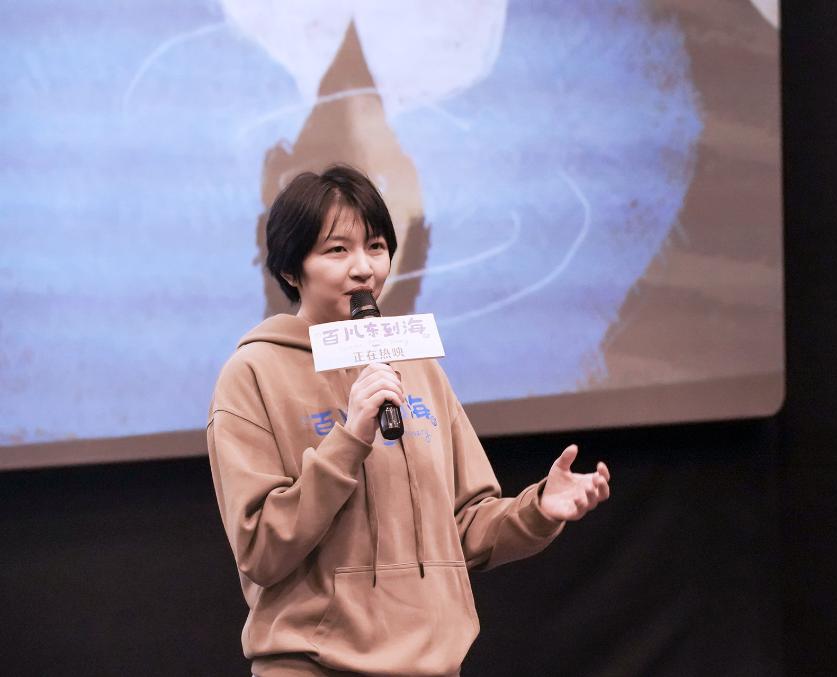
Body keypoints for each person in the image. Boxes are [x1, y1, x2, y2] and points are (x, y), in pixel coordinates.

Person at [207, 164, 611, 677]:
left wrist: (538, 510)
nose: (364, 269)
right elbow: (260, 549)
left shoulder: (416, 365)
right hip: (314, 665)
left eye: (375, 247)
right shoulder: (253, 373)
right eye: (337, 250)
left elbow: (464, 525)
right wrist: (350, 438)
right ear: (291, 269)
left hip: (432, 663)